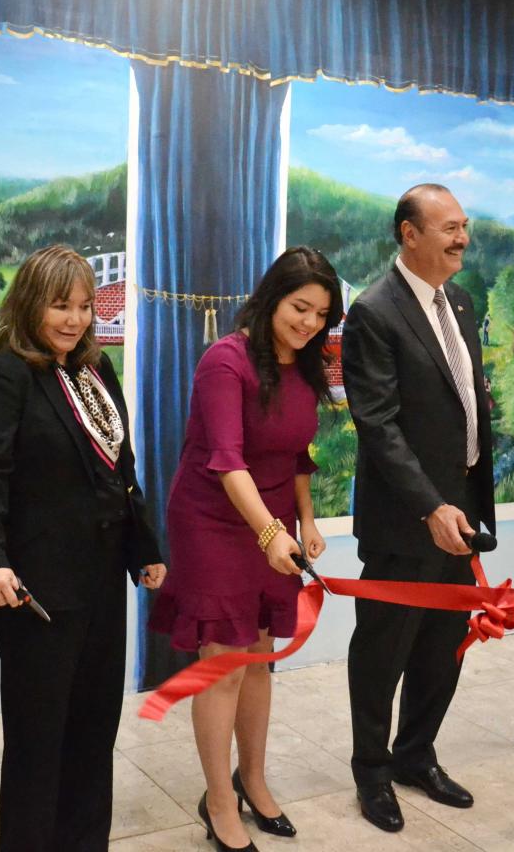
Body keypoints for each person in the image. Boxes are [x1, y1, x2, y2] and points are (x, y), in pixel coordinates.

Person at [0, 245, 166, 851]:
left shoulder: (96, 370)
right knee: (38, 744)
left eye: (82, 307)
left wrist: (143, 547)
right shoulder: (5, 373)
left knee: (94, 735)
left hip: (101, 585)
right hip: (37, 592)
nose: (74, 320)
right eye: (58, 305)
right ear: (29, 304)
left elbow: (121, 469)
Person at [149, 246, 340, 852]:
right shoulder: (225, 361)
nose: (308, 323)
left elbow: (296, 455)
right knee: (224, 660)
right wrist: (268, 533)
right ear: (270, 299)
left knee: (259, 655)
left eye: (321, 314)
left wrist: (305, 521)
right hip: (214, 520)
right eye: (298, 307)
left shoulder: (307, 365)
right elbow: (227, 462)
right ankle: (218, 801)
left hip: (274, 519)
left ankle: (252, 779)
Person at [342, 184, 493, 833]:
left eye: (463, 227)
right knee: (384, 652)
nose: (461, 239)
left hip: (460, 515)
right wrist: (430, 505)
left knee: (442, 648)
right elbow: (378, 426)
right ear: (409, 234)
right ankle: (372, 772)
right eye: (448, 228)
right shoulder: (374, 311)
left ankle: (415, 755)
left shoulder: (457, 300)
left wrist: (465, 503)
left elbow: (464, 403)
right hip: (406, 521)